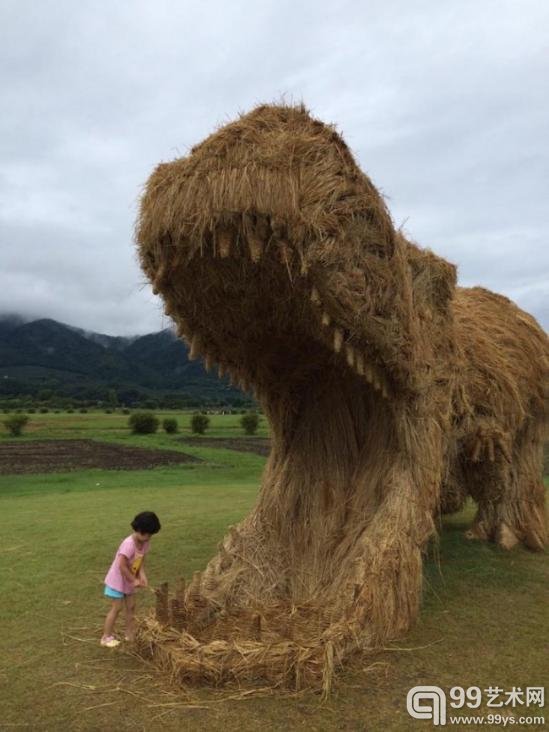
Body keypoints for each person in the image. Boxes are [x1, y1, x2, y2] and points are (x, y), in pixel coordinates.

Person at [100, 511, 161, 647]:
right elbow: (121, 566)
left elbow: (140, 561)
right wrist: (133, 580)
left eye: (151, 535)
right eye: (148, 534)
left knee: (131, 606)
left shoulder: (144, 543)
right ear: (139, 530)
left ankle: (129, 633)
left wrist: (142, 576)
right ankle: (106, 637)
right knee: (117, 608)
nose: (149, 537)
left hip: (129, 579)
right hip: (118, 580)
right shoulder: (128, 544)